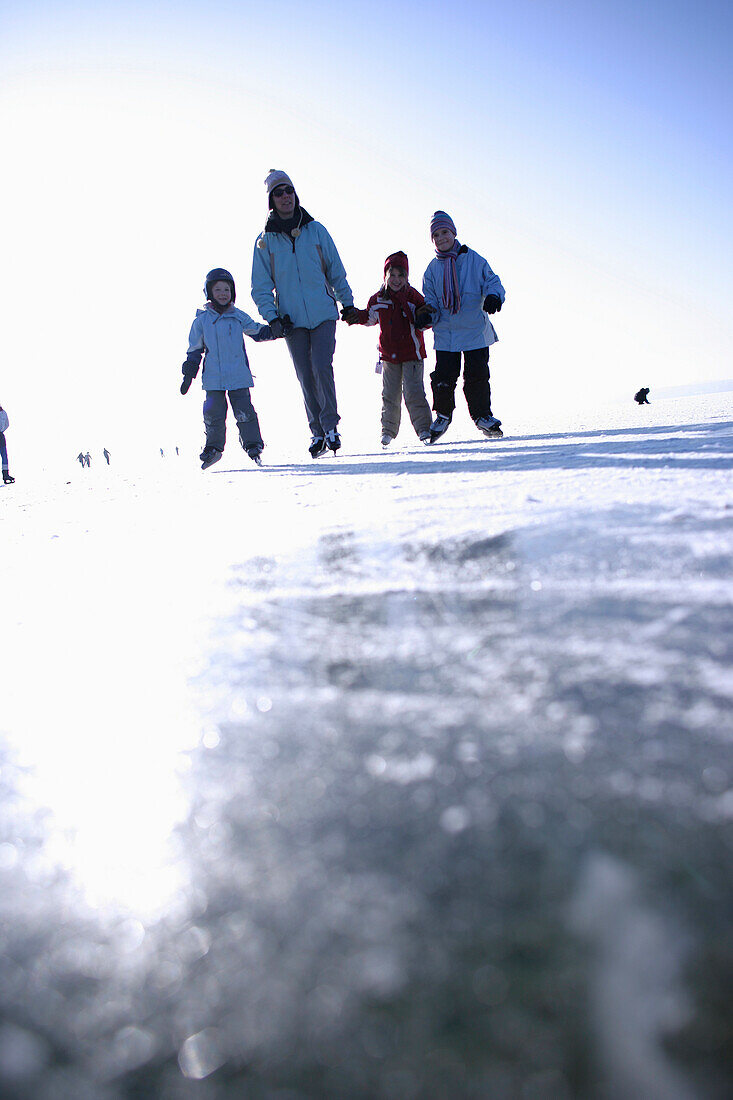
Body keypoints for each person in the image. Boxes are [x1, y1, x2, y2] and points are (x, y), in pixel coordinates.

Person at [251, 170, 359, 458]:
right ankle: (317, 433)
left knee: (322, 366)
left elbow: (336, 269)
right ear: (271, 200)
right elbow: (260, 286)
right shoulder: (265, 242)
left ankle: (331, 426)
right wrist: (272, 317)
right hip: (291, 320)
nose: (286, 196)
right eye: (279, 192)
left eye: (289, 190)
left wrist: (346, 303)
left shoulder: (316, 230)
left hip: (323, 312)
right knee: (304, 375)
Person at [181, 267, 278, 470]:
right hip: (213, 379)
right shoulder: (202, 321)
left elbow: (257, 331)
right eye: (218, 290)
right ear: (209, 293)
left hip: (238, 376)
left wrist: (278, 329)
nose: (223, 294)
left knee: (244, 411)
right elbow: (194, 350)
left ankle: (253, 444)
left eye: (227, 290)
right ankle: (213, 448)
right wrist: (189, 374)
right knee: (213, 414)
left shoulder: (237, 316)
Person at [422, 211, 505, 443]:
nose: (441, 238)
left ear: (454, 232)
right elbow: (431, 302)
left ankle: (482, 415)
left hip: (474, 331)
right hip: (446, 333)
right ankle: (443, 415)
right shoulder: (431, 270)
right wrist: (426, 316)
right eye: (436, 235)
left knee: (477, 376)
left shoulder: (473, 259)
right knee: (443, 378)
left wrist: (493, 296)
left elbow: (493, 281)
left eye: (445, 232)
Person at [347, 251, 433, 447]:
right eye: (391, 275)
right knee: (390, 394)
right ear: (385, 276)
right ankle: (388, 431)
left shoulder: (413, 297)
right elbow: (370, 318)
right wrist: (356, 316)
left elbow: (426, 320)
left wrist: (424, 318)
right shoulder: (378, 299)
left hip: (412, 353)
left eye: (400, 275)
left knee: (414, 392)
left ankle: (424, 429)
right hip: (388, 356)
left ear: (406, 277)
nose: (396, 280)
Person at [0, 404, 14, 483]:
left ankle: (5, 474)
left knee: (4, 456)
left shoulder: (3, 413)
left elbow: (7, 424)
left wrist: (1, 431)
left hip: (1, 436)